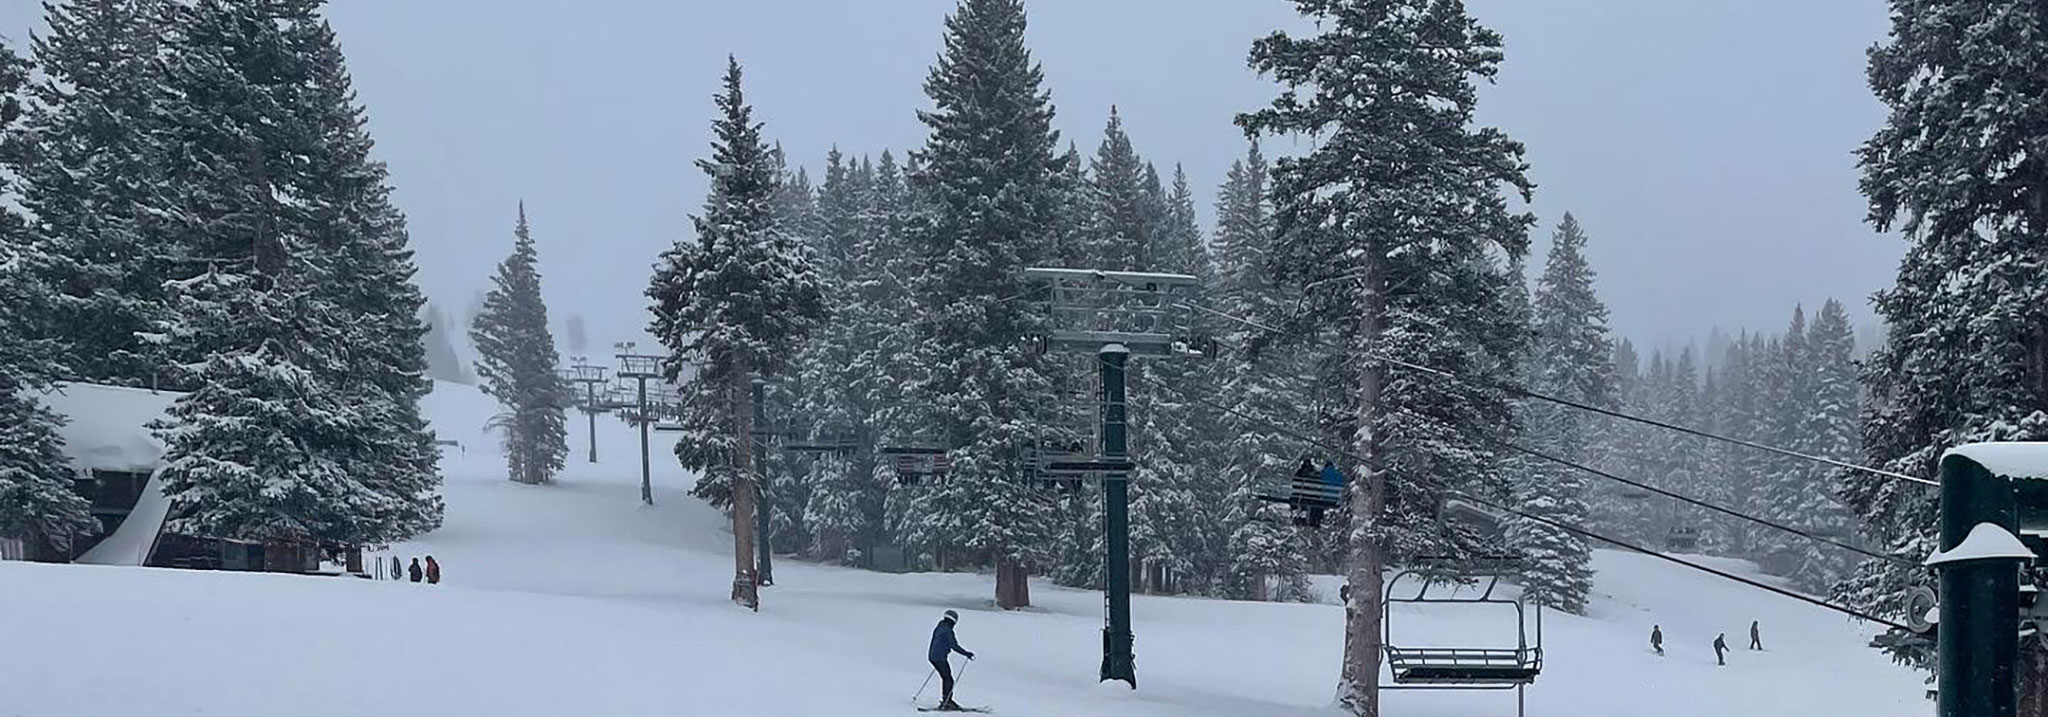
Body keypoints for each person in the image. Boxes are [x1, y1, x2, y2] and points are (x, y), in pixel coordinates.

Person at [927, 609, 975, 710]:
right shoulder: (947, 630)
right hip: (939, 658)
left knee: (946, 678)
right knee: (948, 679)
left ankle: (947, 700)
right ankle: (947, 701)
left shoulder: (940, 627)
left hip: (933, 656)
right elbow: (954, 646)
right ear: (953, 621)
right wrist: (967, 654)